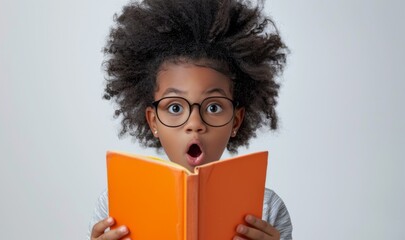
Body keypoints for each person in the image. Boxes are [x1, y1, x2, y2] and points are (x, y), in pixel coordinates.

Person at [88, 0, 293, 239]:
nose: (195, 123)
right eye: (175, 107)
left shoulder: (266, 209)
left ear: (235, 121)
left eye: (214, 107)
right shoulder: (115, 206)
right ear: (153, 121)